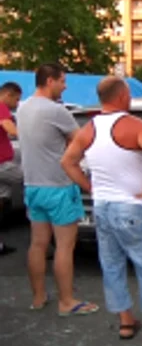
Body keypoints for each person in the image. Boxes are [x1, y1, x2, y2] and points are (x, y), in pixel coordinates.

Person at [60, 76, 142, 341]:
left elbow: (67, 162)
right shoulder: (135, 125)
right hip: (131, 206)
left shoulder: (88, 128)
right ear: (122, 95)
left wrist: (89, 187)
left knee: (111, 265)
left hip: (103, 207)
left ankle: (126, 321)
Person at [16, 63, 99, 315]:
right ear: (50, 81)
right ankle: (67, 302)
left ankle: (39, 297)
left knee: (38, 244)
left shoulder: (22, 108)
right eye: (62, 81)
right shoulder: (56, 111)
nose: (65, 86)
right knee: (65, 246)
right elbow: (80, 141)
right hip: (59, 186)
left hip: (32, 185)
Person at [0, 82, 23, 256]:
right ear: (7, 94)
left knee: (2, 200)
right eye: (16, 99)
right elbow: (10, 128)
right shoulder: (1, 107)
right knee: (32, 179)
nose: (17, 103)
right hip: (2, 165)